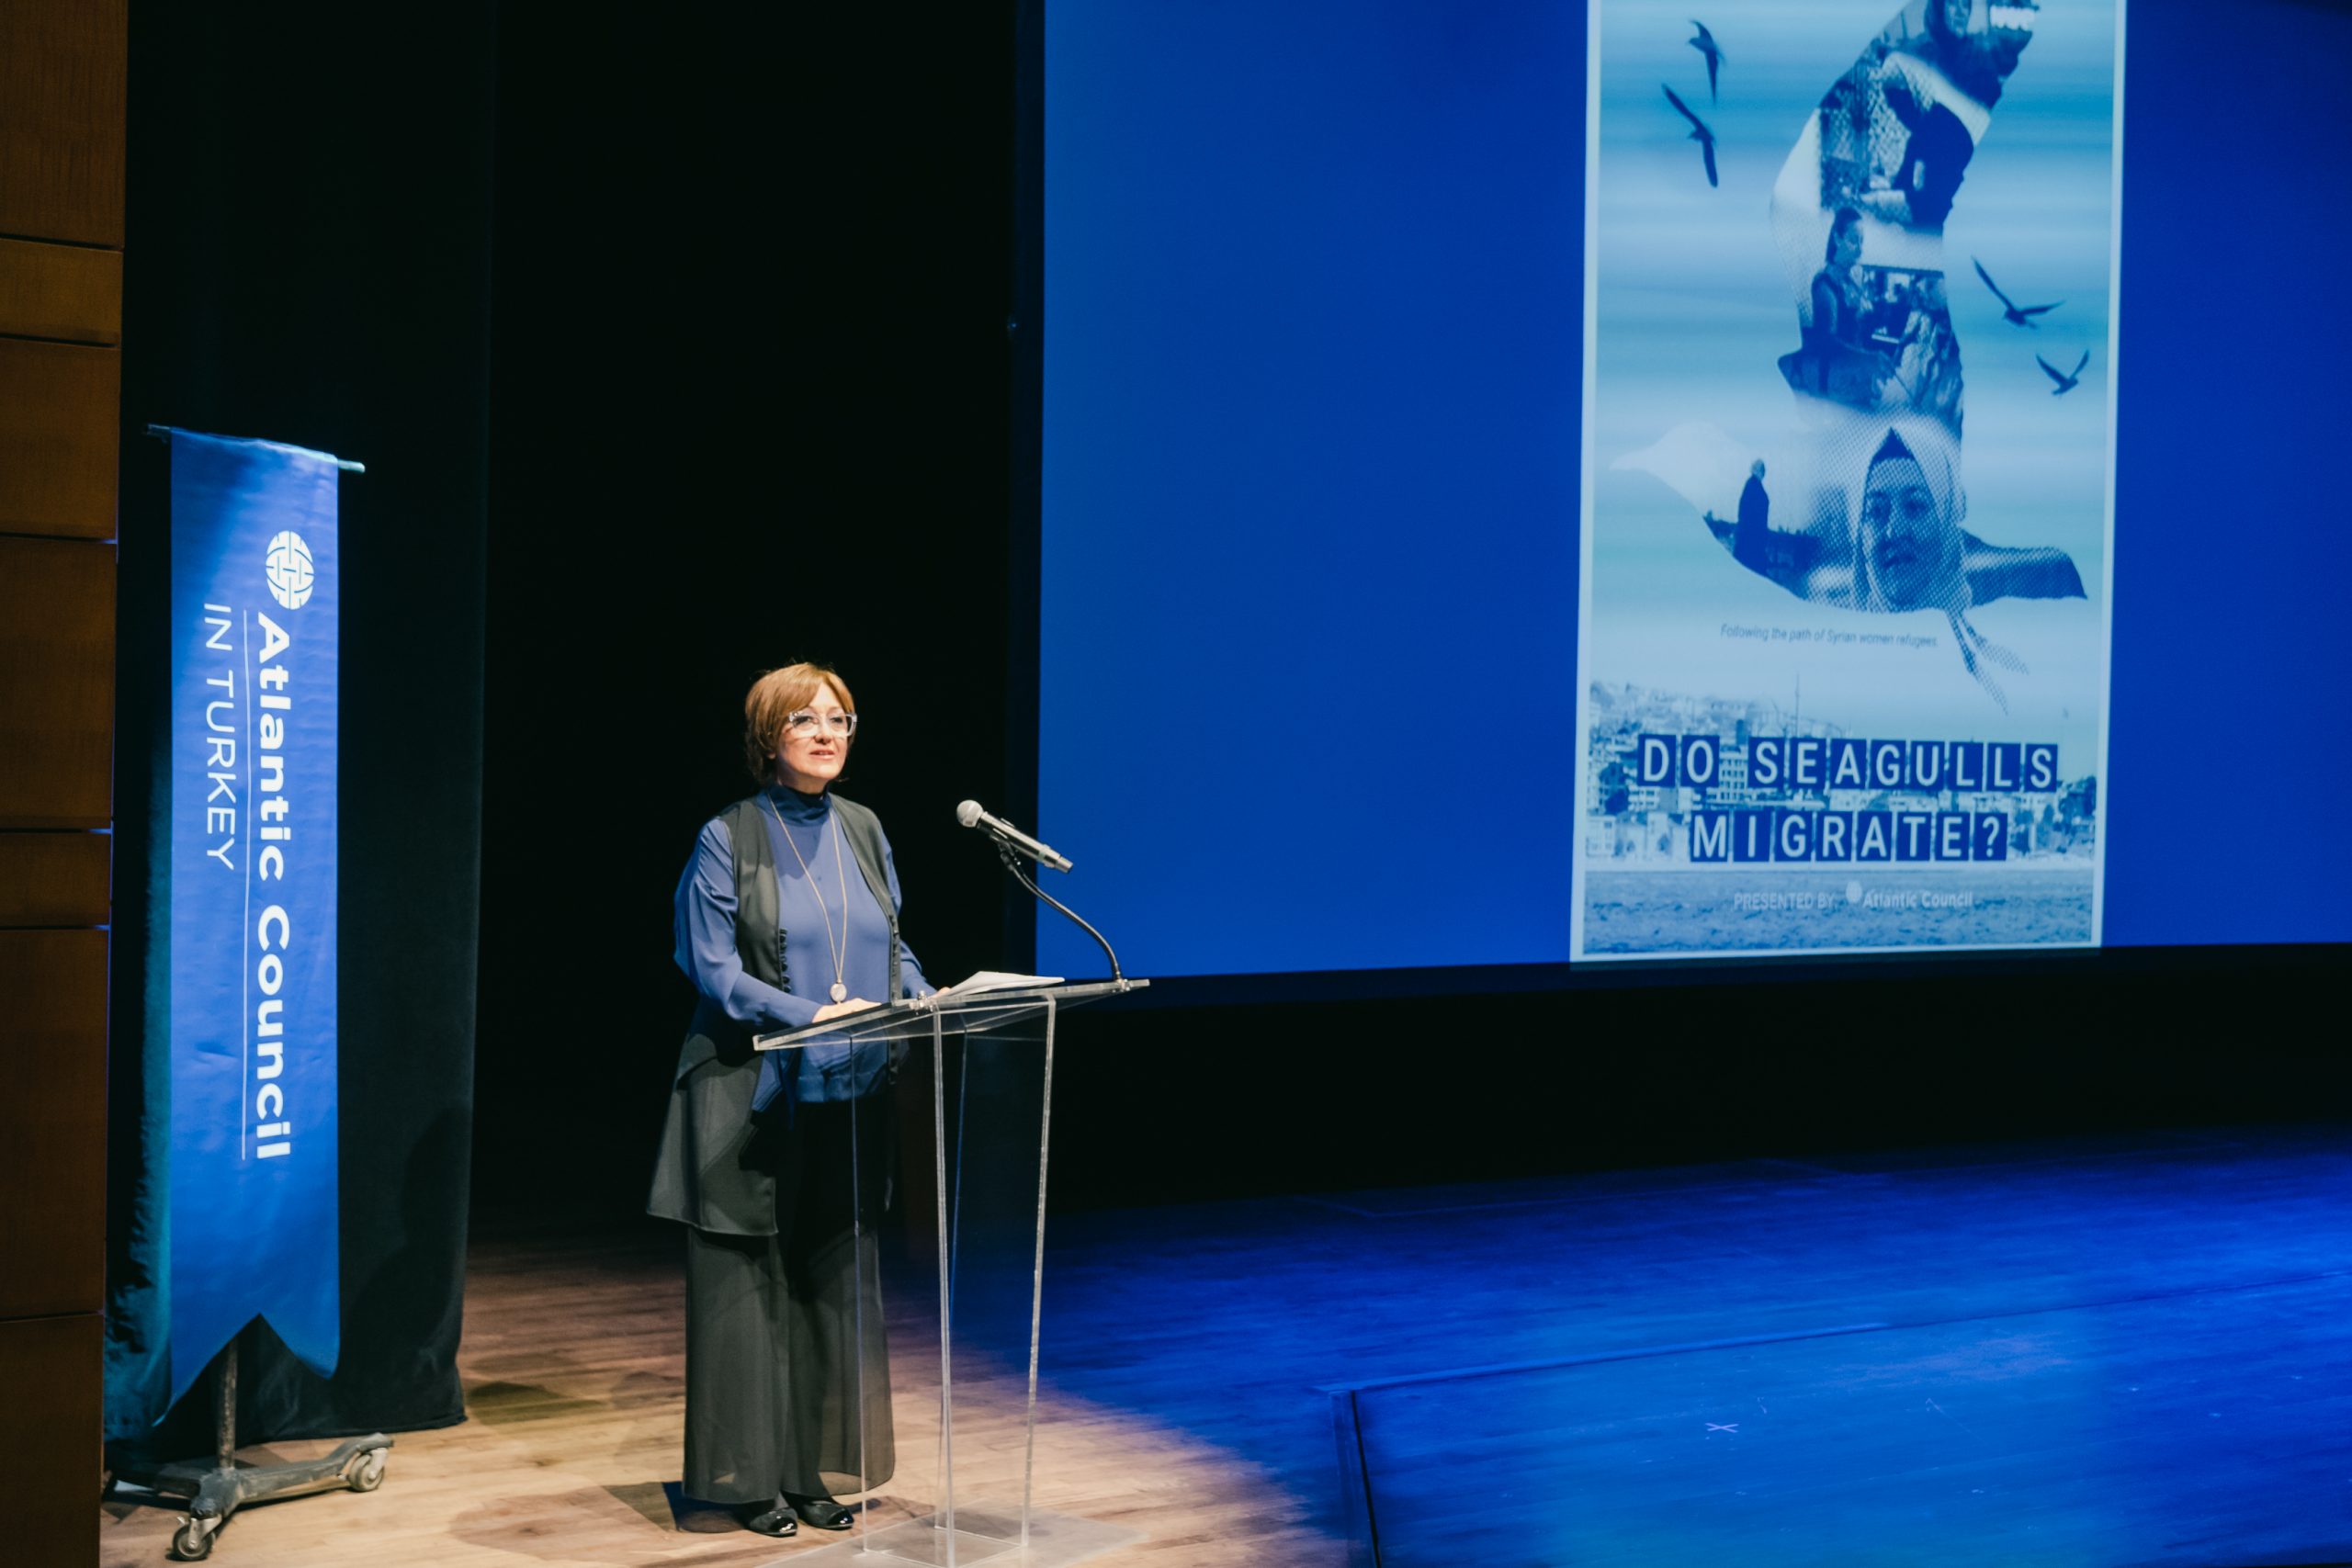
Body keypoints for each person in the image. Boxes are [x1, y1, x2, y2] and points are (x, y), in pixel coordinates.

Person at [648, 662, 933, 1538]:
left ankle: (812, 1473)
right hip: (749, 1093)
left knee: (825, 1280)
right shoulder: (727, 835)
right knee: (751, 1288)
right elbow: (711, 969)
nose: (826, 731)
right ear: (768, 735)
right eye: (805, 718)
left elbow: (892, 939)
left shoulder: (864, 826)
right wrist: (810, 1014)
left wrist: (925, 995)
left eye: (840, 717)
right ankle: (749, 1481)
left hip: (844, 1090)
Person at [1734, 459, 1771, 573]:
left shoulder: (1751, 486)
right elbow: (1752, 516)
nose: (1764, 472)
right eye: (1762, 469)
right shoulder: (1753, 487)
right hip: (1751, 541)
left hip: (1749, 539)